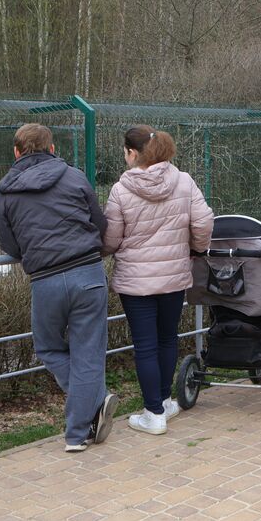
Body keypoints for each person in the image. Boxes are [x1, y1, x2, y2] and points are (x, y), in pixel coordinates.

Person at [0, 123, 118, 453]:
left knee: (47, 349)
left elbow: (10, 245)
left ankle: (88, 411)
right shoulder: (74, 176)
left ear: (17, 152)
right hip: (88, 274)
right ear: (51, 149)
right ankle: (80, 428)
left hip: (45, 280)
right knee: (88, 354)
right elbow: (100, 224)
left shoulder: (4, 192)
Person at [103, 126, 214, 436]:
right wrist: (196, 248)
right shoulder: (184, 181)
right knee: (167, 338)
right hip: (175, 276)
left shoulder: (120, 191)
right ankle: (164, 403)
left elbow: (111, 239)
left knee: (145, 346)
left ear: (132, 153)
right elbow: (204, 220)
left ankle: (153, 414)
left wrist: (112, 249)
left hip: (136, 281)